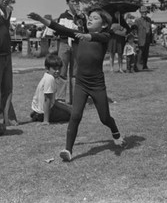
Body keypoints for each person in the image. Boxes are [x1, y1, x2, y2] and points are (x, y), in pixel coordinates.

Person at [28, 8, 125, 162]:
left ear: (104, 24)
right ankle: (68, 150)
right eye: (90, 17)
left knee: (105, 118)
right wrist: (41, 19)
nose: (90, 19)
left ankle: (115, 133)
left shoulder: (105, 36)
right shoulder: (78, 36)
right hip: (81, 83)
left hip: (97, 85)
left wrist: (87, 35)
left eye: (95, 18)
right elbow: (59, 28)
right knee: (75, 115)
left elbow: (99, 36)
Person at [55, 0, 87, 102]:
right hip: (64, 44)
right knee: (62, 71)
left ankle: (75, 99)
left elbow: (86, 30)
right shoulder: (63, 16)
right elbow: (58, 30)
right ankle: (60, 98)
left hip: (77, 44)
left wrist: (82, 17)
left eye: (77, 2)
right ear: (68, 3)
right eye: (72, 1)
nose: (75, 4)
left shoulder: (81, 17)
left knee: (75, 73)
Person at [30, 54, 72, 124]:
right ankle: (41, 117)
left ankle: (36, 115)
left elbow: (53, 101)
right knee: (69, 115)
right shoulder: (50, 79)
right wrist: (46, 121)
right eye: (54, 69)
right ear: (47, 68)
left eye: (59, 69)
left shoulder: (47, 76)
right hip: (43, 113)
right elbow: (47, 100)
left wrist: (68, 107)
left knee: (69, 110)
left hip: (40, 110)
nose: (57, 71)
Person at [134, 6, 152, 70]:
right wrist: (136, 40)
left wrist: (151, 39)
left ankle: (145, 65)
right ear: (141, 13)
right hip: (140, 39)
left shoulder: (149, 20)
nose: (144, 13)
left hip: (147, 39)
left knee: (146, 53)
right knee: (140, 53)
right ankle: (138, 66)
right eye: (143, 12)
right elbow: (135, 31)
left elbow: (150, 30)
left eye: (145, 12)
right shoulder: (137, 21)